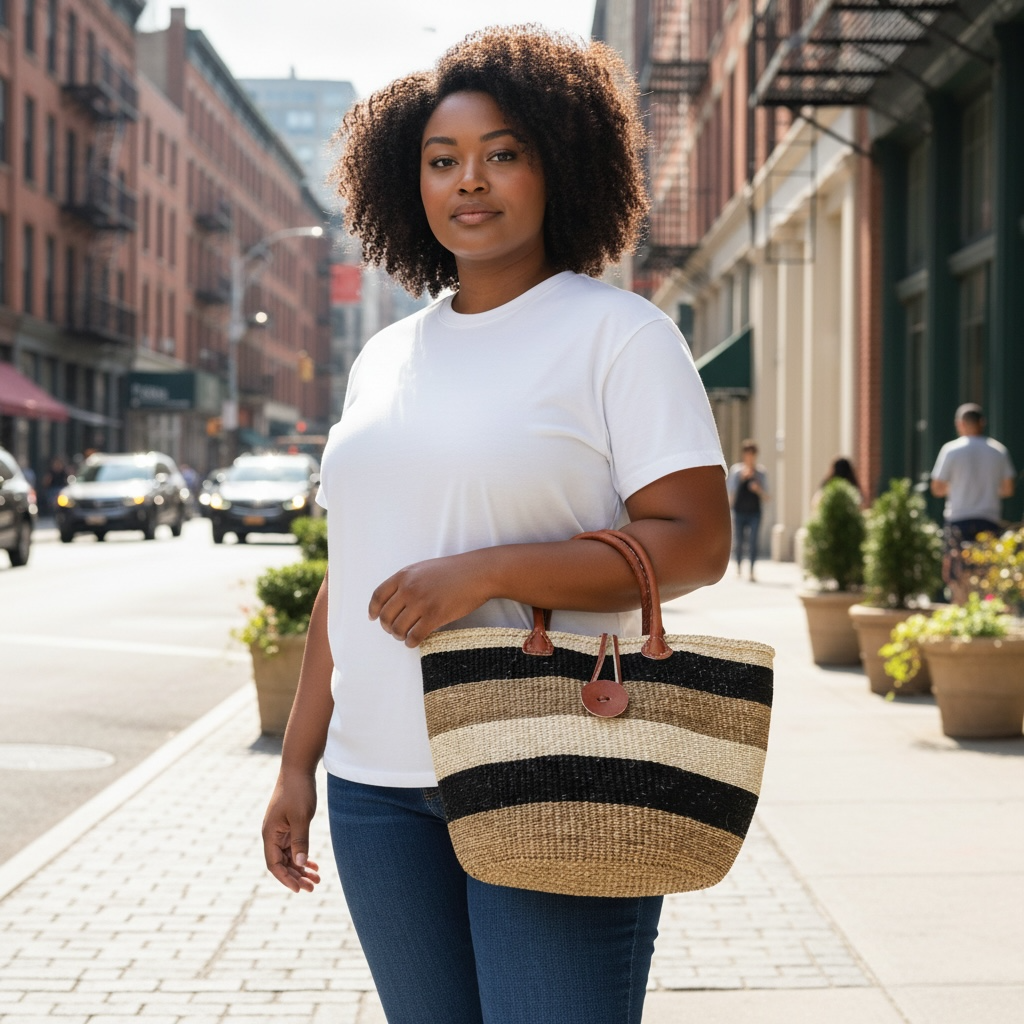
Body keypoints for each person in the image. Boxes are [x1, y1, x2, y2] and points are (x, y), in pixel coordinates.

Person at [260, 27, 731, 1024]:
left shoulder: (621, 335)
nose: (469, 181)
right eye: (442, 161)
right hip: (376, 785)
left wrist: (488, 571)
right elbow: (355, 572)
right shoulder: (383, 358)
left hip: (552, 760)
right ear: (409, 183)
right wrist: (300, 763)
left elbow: (695, 541)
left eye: (501, 153)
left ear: (559, 163)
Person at [930, 403, 1016, 597]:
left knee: (957, 574)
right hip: (989, 517)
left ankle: (961, 614)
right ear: (982, 423)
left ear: (960, 424)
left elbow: (936, 488)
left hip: (958, 518)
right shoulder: (998, 450)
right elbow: (1008, 489)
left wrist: (957, 487)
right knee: (986, 573)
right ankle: (984, 615)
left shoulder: (951, 450)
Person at [726, 439, 769, 581]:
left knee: (753, 541)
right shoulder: (736, 471)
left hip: (755, 512)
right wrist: (741, 479)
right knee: (739, 540)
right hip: (739, 511)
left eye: (752, 454)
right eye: (747, 454)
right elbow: (730, 492)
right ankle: (738, 567)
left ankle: (751, 570)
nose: (749, 457)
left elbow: (767, 496)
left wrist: (758, 489)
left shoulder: (760, 473)